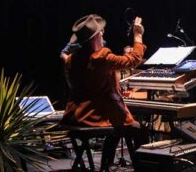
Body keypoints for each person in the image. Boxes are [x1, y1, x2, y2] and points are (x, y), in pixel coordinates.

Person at [60, 14, 148, 166]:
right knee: (139, 130)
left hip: (74, 117)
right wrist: (138, 35)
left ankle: (106, 166)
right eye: (100, 32)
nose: (103, 34)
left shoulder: (70, 60)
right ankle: (144, 168)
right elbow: (133, 60)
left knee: (118, 129)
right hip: (95, 117)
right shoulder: (101, 57)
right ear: (95, 38)